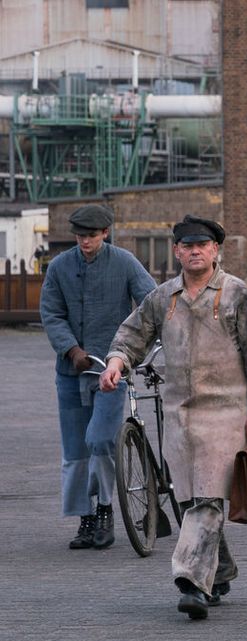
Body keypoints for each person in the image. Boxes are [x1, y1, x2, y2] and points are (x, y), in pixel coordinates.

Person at [100, 215, 247, 620]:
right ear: (177, 252)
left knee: (208, 494)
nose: (195, 251)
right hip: (178, 415)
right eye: (187, 246)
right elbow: (132, 336)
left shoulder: (235, 294)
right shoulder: (163, 298)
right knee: (189, 498)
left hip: (224, 413)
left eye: (203, 245)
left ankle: (193, 581)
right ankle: (221, 569)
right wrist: (116, 363)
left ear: (215, 250)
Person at [40, 204, 156, 550]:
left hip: (110, 370)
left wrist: (136, 348)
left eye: (91, 236)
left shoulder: (124, 262)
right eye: (79, 236)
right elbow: (51, 313)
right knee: (76, 451)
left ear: (105, 233)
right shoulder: (59, 267)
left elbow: (151, 304)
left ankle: (105, 507)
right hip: (70, 372)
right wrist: (71, 349)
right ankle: (85, 517)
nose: (85, 242)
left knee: (101, 440)